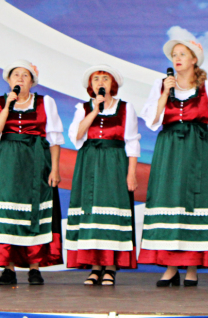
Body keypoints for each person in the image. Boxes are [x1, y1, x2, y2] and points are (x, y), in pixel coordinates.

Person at [138, 40, 208, 287]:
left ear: (194, 59)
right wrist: (165, 94)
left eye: (182, 54)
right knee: (169, 199)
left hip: (199, 147)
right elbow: (152, 121)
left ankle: (192, 266)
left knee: (195, 201)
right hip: (170, 148)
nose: (177, 58)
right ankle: (171, 267)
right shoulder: (161, 84)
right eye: (174, 55)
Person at [0, 60, 64, 285]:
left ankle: (34, 267)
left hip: (36, 162)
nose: (20, 79)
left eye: (25, 75)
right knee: (6, 213)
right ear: (9, 80)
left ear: (32, 82)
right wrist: (7, 107)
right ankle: (7, 267)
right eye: (15, 75)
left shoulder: (46, 102)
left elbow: (54, 139)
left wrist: (55, 168)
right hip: (5, 164)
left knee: (33, 211)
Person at [67, 65, 140, 286]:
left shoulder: (126, 108)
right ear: (91, 85)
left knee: (112, 210)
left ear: (113, 84)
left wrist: (131, 173)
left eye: (105, 79)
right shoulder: (83, 108)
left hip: (115, 164)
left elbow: (132, 142)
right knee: (91, 212)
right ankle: (95, 266)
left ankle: (111, 267)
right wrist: (94, 111)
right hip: (89, 164)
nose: (100, 83)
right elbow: (76, 136)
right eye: (96, 79)